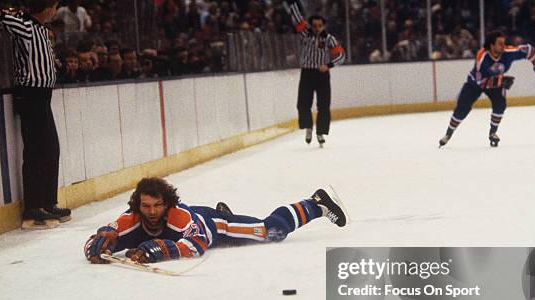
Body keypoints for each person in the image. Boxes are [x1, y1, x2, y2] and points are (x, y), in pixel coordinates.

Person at [84, 177, 347, 264]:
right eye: (146, 206)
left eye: (157, 206)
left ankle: (316, 203)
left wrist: (163, 250)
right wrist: (98, 246)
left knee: (272, 230)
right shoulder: (131, 219)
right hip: (203, 225)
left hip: (212, 226)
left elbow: (197, 243)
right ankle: (227, 212)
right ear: (138, 205)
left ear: (167, 205)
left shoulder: (181, 218)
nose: (151, 212)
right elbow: (102, 237)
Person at [0, 1, 71, 228]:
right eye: (54, 6)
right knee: (36, 150)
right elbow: (5, 19)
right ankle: (33, 206)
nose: (55, 11)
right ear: (47, 8)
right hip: (30, 96)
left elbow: (43, 58)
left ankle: (48, 201)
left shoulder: (42, 30)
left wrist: (55, 65)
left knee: (50, 149)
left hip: (42, 97)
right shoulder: (26, 25)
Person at [439, 30, 535, 148]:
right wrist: (500, 81)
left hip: (495, 82)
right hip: (476, 82)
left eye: (503, 43)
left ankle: (493, 133)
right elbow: (481, 81)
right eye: (500, 43)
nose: (503, 46)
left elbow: (529, 50)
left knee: (500, 104)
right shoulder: (482, 56)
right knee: (462, 107)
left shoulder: (508, 52)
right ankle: (448, 134)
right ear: (491, 45)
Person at [287, 0, 345, 147]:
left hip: (322, 75)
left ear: (324, 25)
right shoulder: (305, 33)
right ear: (310, 25)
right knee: (302, 104)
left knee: (324, 105)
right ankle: (308, 126)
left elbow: (341, 55)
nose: (317, 28)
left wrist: (329, 65)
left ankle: (320, 132)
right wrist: (292, 3)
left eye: (320, 26)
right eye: (314, 26)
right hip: (307, 73)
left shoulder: (329, 39)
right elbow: (296, 18)